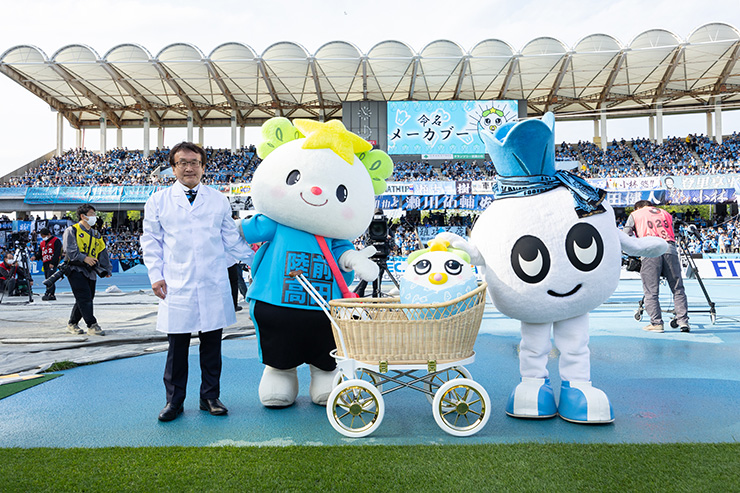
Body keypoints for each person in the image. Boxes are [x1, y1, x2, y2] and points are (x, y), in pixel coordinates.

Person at [141, 142, 255, 423]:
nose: (189, 168)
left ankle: (210, 397)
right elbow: (151, 241)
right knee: (177, 346)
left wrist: (258, 261)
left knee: (212, 343)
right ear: (173, 168)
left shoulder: (218, 200)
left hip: (212, 281)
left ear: (204, 167)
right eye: (182, 162)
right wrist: (155, 275)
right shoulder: (158, 201)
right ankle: (174, 401)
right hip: (176, 283)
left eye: (195, 162)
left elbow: (231, 239)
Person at [624, 200, 690, 333]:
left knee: (651, 291)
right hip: (669, 248)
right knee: (677, 288)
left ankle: (657, 323)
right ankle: (683, 321)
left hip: (650, 249)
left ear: (638, 207)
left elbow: (626, 236)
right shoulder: (665, 213)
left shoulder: (636, 214)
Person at [63, 204, 112, 335]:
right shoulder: (72, 230)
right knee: (84, 297)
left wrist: (107, 268)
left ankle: (72, 323)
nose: (94, 217)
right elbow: (70, 250)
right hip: (75, 269)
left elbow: (102, 252)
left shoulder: (96, 234)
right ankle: (92, 325)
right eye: (91, 214)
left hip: (91, 270)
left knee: (87, 298)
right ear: (83, 216)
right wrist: (84, 258)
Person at [37, 227, 62, 301]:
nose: (43, 237)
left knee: (50, 278)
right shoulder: (42, 243)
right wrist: (35, 256)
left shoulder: (56, 240)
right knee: (47, 278)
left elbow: (57, 252)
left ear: (48, 234)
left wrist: (53, 262)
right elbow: (40, 253)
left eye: (44, 236)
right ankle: (48, 292)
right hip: (45, 262)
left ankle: (51, 293)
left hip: (52, 262)